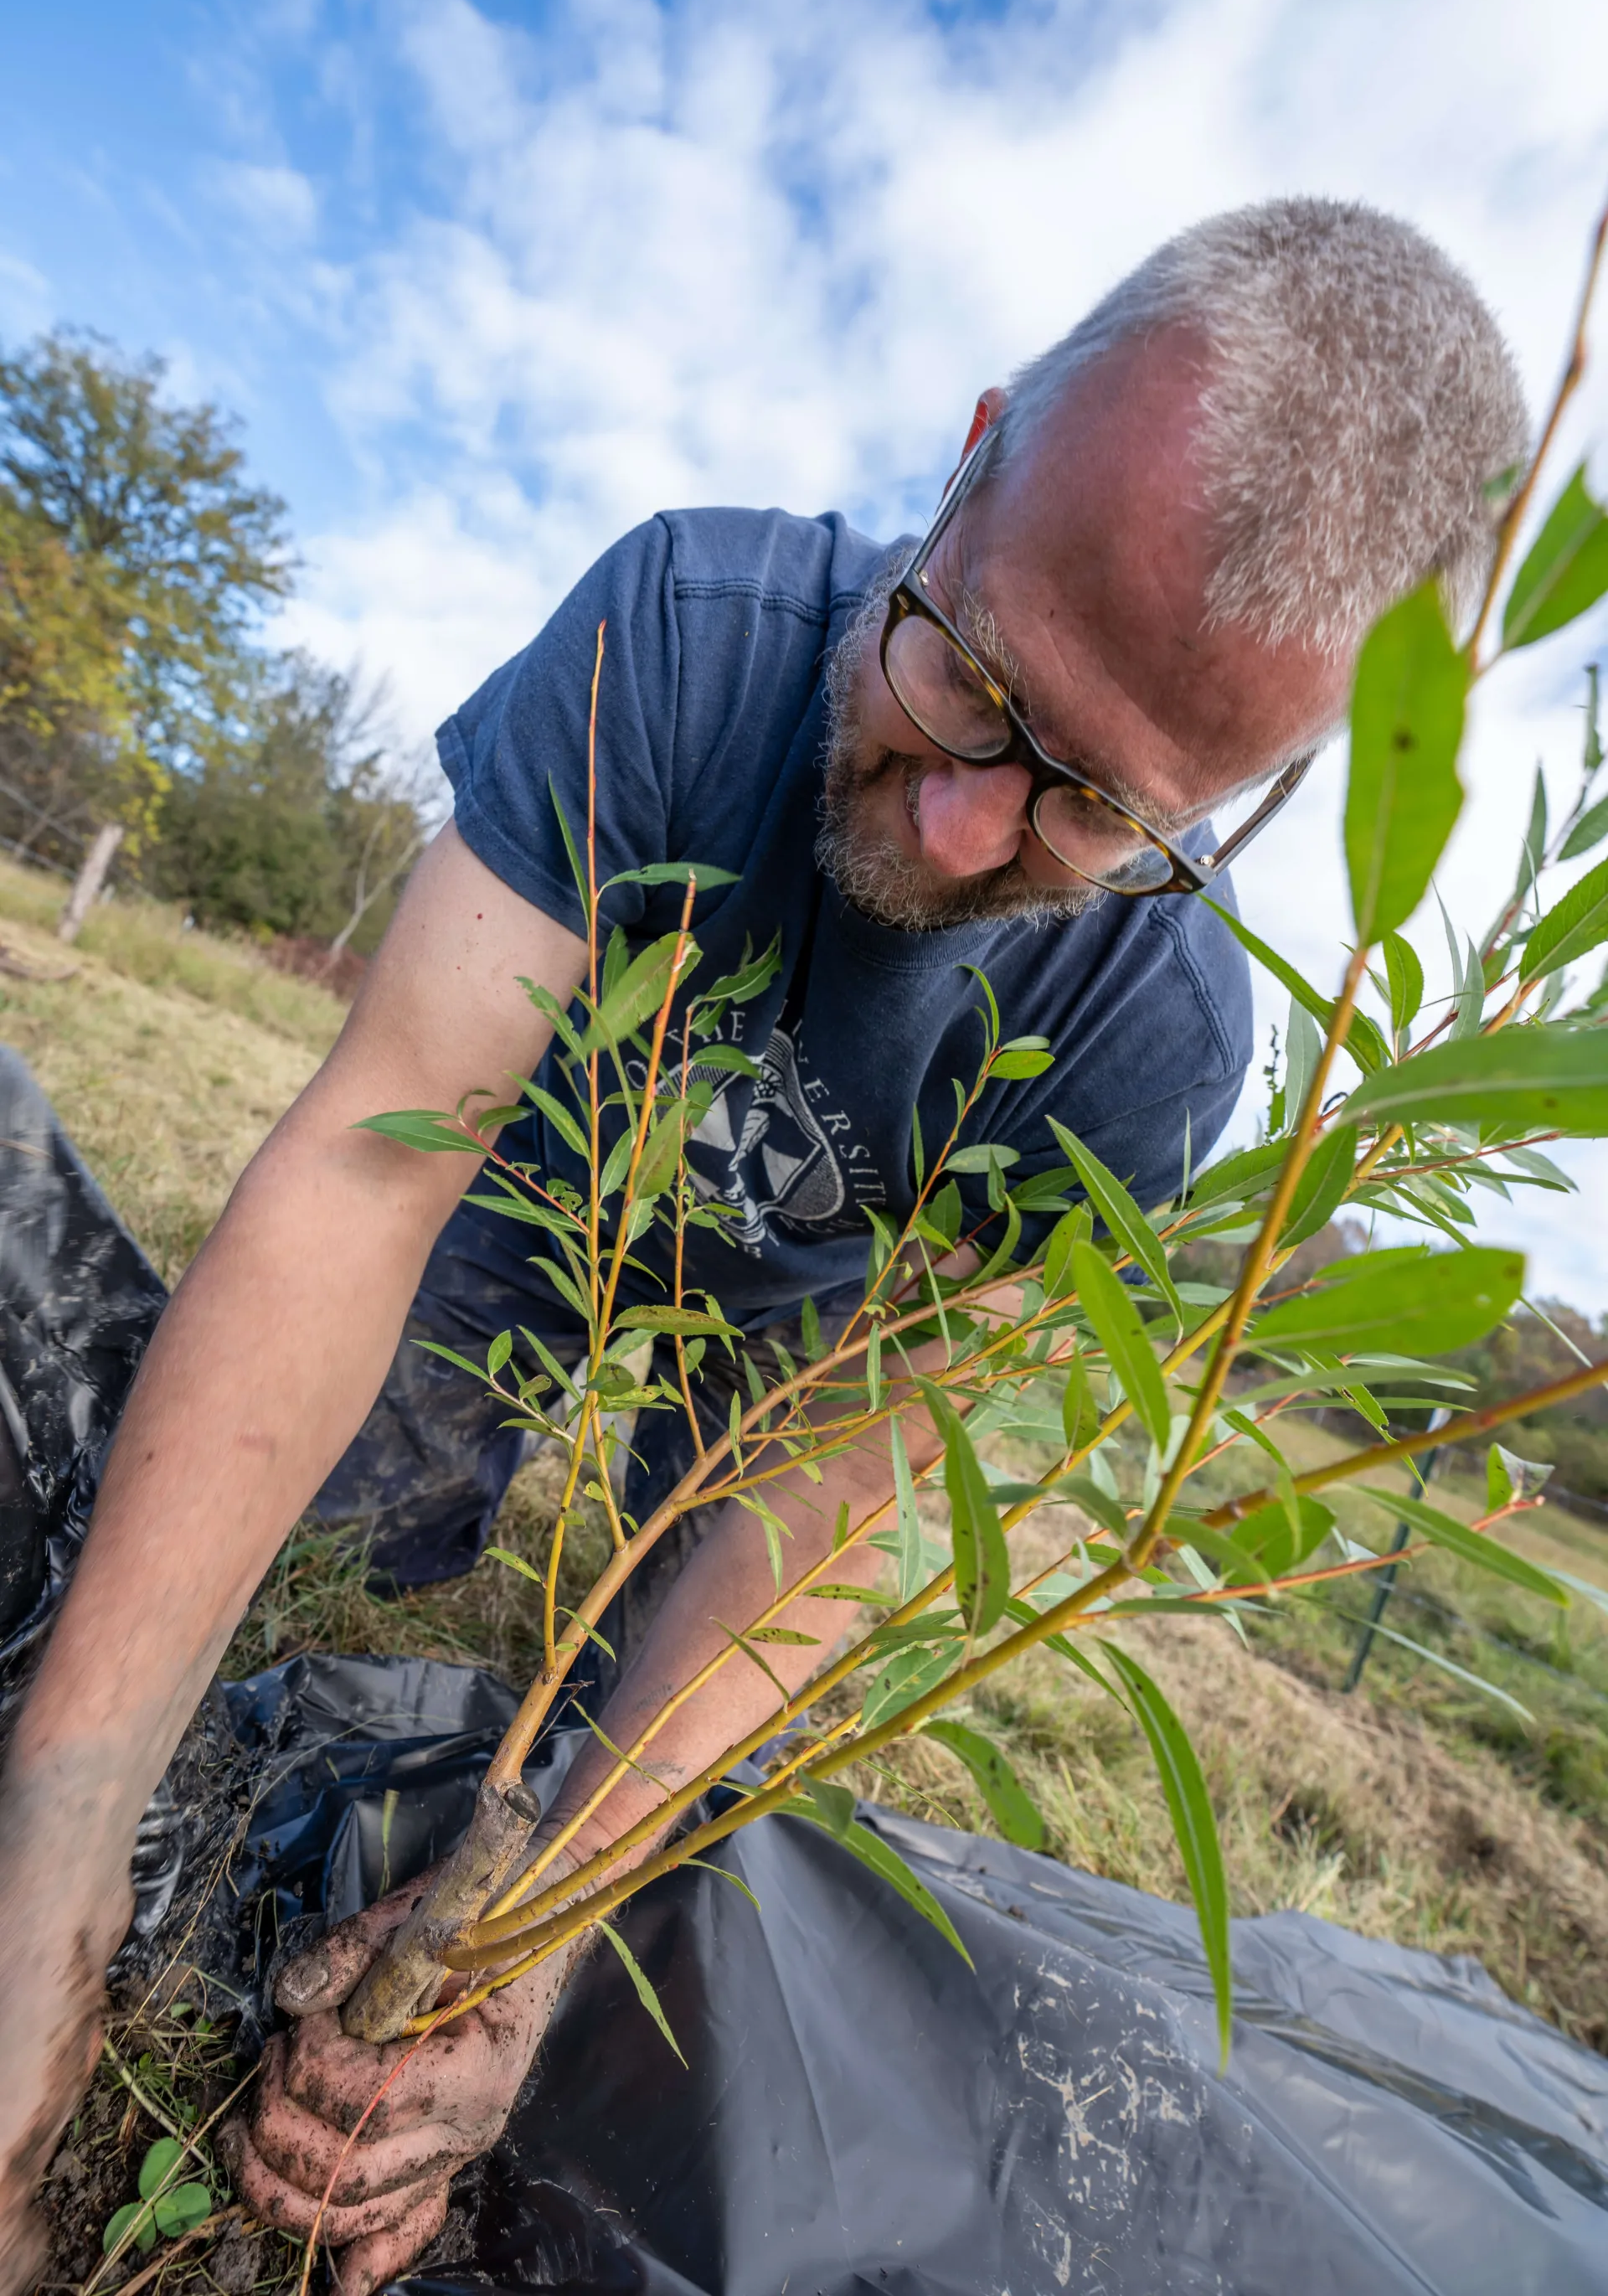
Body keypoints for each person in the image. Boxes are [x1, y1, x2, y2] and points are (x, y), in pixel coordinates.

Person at [0, 199, 1527, 2295]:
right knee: (350, 1510)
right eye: (969, 677)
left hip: (782, 1361)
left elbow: (834, 1495)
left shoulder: (1154, 1042)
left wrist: (537, 1936)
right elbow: (371, 1160)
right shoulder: (688, 632)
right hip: (533, 1196)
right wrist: (54, 1886)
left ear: (1248, 811)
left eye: (1098, 808)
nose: (969, 828)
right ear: (970, 452)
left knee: (657, 1710)